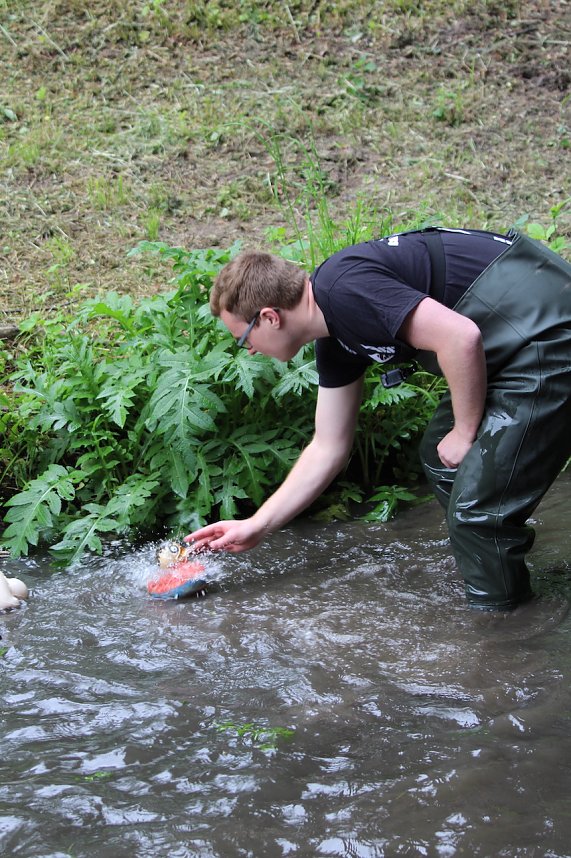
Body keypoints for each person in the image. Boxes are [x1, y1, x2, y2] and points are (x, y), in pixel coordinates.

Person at [185, 227, 571, 612]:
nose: (248, 351)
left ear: (269, 317)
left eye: (243, 339)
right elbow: (328, 446)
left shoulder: (343, 288)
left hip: (547, 333)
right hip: (516, 345)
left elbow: (459, 336)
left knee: (475, 513)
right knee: (442, 460)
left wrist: (465, 430)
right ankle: (496, 558)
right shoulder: (335, 335)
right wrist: (258, 523)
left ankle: (506, 630)